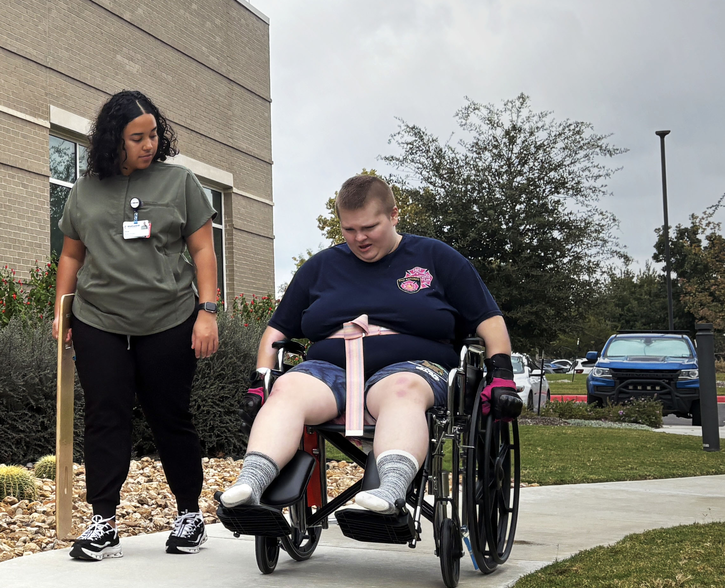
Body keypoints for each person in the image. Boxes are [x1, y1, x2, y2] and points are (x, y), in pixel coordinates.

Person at [221, 173, 522, 514]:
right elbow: (277, 332)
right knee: (287, 388)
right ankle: (251, 485)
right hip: (331, 369)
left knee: (401, 390)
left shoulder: (437, 258)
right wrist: (260, 380)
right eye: (349, 230)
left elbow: (489, 320)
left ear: (394, 215)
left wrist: (501, 375)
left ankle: (389, 493)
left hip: (414, 368)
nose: (359, 238)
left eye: (369, 227)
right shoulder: (320, 267)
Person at [53, 90, 220, 561]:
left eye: (153, 135)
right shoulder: (84, 190)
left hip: (168, 318)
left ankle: (190, 514)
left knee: (170, 417)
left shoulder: (179, 182)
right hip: (98, 319)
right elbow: (70, 254)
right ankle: (103, 521)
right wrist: (60, 312)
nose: (149, 144)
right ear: (113, 141)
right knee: (106, 416)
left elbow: (204, 250)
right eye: (137, 137)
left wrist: (207, 311)